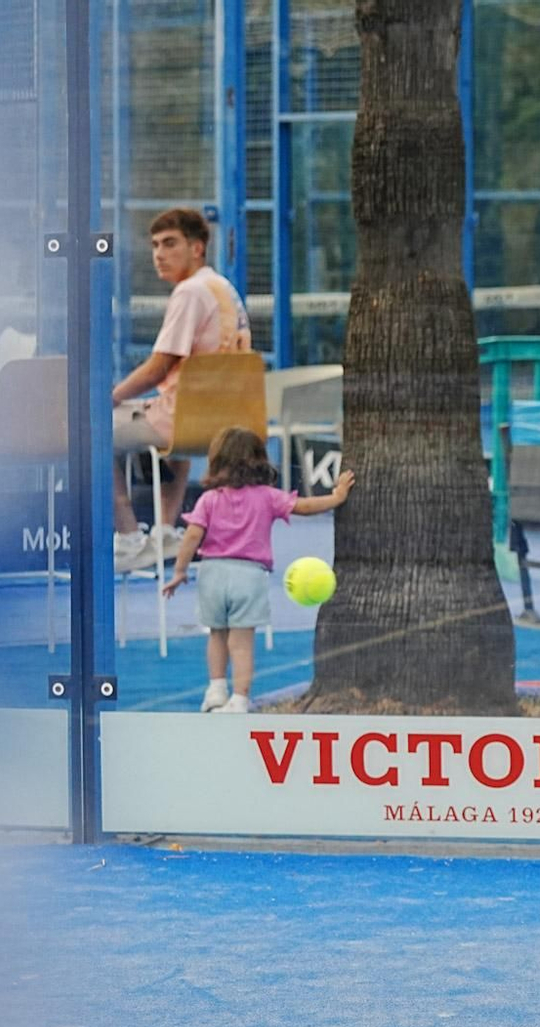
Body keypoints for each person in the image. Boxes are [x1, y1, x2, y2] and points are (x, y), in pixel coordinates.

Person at [161, 427, 354, 714]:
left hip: (212, 572)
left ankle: (215, 690)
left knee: (217, 635)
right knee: (241, 642)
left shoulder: (209, 499)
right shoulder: (267, 496)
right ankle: (240, 699)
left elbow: (191, 536)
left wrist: (179, 571)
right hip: (249, 575)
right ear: (259, 461)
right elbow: (304, 505)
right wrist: (336, 497)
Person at [112, 208, 253, 573]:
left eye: (170, 243)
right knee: (174, 413)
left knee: (91, 427)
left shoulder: (189, 292)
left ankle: (128, 540)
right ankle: (164, 533)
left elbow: (159, 365)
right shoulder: (224, 287)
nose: (159, 253)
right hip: (224, 420)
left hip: (183, 420)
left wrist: (107, 398)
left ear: (197, 248)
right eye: (155, 245)